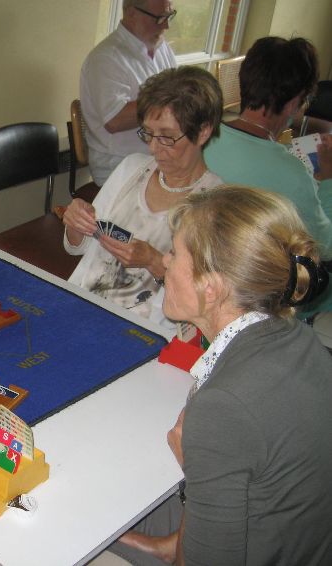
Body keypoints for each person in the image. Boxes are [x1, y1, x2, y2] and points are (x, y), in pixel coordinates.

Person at [109, 186, 332, 565]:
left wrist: (194, 474)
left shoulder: (222, 407)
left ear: (208, 289)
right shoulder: (302, 339)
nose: (163, 260)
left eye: (174, 253)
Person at [64, 66, 223, 322]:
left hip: (140, 327)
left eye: (167, 137)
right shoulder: (131, 168)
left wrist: (153, 261)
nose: (153, 147)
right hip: (78, 301)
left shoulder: (214, 204)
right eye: (148, 133)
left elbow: (201, 303)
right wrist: (76, 224)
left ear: (203, 131)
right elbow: (80, 249)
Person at [204, 36, 332, 317]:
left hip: (207, 271)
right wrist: (326, 179)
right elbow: (324, 246)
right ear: (293, 102)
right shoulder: (292, 174)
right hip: (255, 294)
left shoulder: (204, 137)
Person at [80, 0, 177, 186]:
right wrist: (168, 98)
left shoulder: (162, 48)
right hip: (120, 164)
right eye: (160, 18)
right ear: (132, 13)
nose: (166, 25)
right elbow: (115, 120)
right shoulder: (106, 58)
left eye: (169, 16)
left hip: (157, 156)